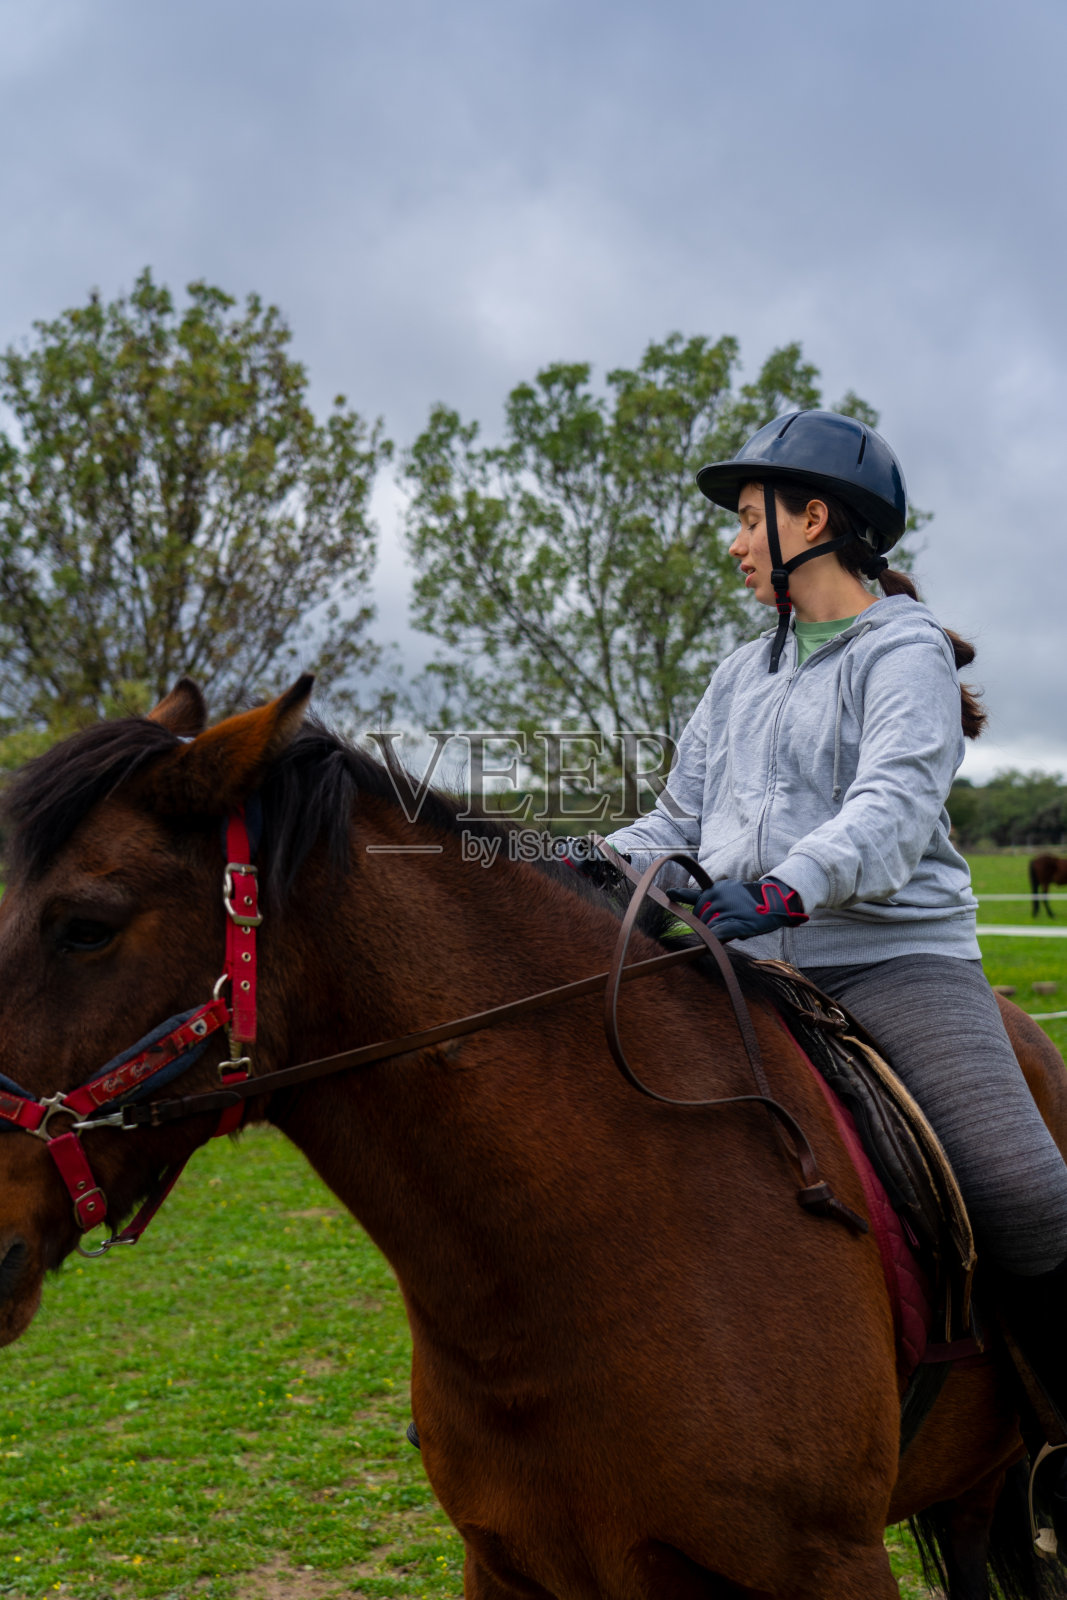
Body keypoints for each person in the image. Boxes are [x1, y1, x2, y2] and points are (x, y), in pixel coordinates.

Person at [605, 408, 1067, 1435]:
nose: (733, 544)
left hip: (890, 961)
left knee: (1025, 1193)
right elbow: (675, 819)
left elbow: (891, 808)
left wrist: (785, 887)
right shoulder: (738, 673)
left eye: (746, 519)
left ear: (811, 520)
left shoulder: (903, 652)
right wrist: (583, 867)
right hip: (746, 959)